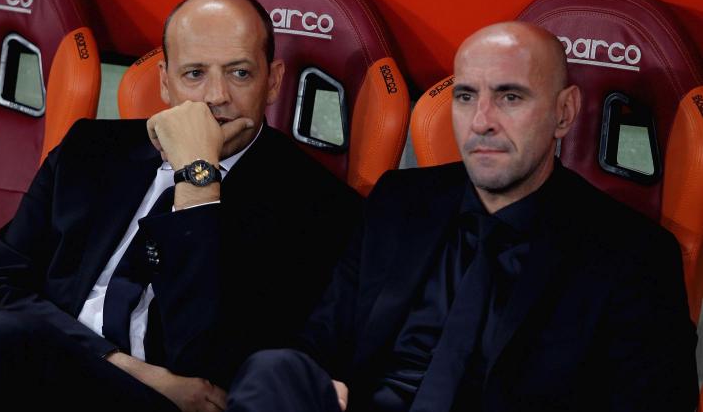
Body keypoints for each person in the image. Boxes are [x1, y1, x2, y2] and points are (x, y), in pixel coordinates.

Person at [226, 22, 698, 412]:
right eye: (467, 96)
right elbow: (320, 338)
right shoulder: (399, 202)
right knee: (272, 370)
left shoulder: (633, 256)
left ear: (564, 112)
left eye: (510, 97)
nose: (481, 121)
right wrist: (320, 383)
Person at [0, 0, 361, 412]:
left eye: (240, 73)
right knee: (7, 338)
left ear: (272, 81)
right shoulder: (89, 150)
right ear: (165, 81)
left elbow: (209, 363)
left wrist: (197, 181)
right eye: (194, 74)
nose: (216, 95)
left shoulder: (319, 210)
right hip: (46, 375)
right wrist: (125, 367)